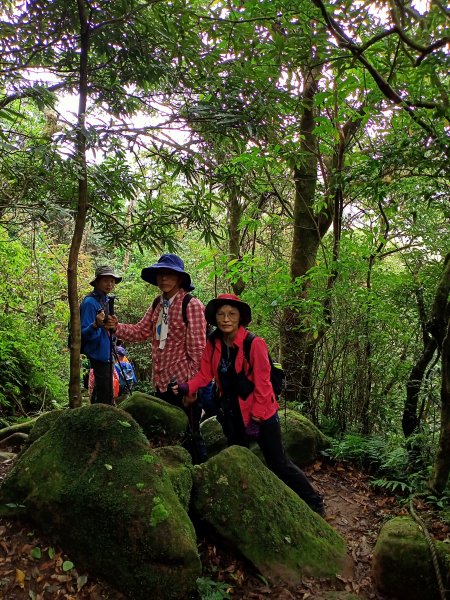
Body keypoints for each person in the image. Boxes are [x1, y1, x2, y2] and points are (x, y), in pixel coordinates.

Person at [174, 293, 325, 516]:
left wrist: (255, 419)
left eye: (231, 314)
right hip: (232, 413)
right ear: (215, 318)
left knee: (279, 462)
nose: (226, 319)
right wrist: (188, 387)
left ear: (240, 318)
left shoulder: (254, 344)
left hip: (261, 414)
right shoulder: (214, 343)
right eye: (221, 314)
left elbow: (263, 386)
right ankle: (245, 504)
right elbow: (205, 375)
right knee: (239, 459)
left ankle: (314, 501)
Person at [110, 253, 208, 463]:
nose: (164, 278)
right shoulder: (158, 303)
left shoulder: (191, 305)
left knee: (191, 434)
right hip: (161, 382)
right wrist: (116, 328)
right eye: (161, 274)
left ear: (180, 278)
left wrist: (192, 388)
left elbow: (199, 351)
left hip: (182, 383)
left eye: (170, 274)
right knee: (169, 435)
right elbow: (140, 331)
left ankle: (203, 477)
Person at [80, 265, 122, 405]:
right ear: (97, 282)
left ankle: (96, 417)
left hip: (107, 351)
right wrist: (96, 325)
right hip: (98, 353)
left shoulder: (105, 300)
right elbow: (83, 333)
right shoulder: (89, 303)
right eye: (105, 280)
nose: (110, 284)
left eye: (112, 281)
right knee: (105, 394)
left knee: (102, 391)